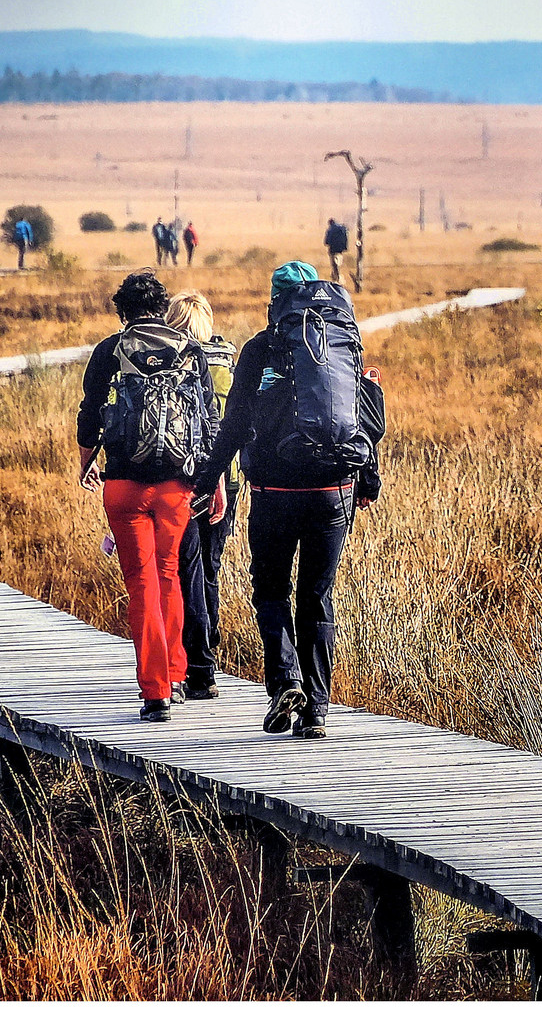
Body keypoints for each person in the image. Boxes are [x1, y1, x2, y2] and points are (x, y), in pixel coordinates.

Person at [197, 260, 383, 740]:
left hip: (274, 493)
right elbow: (358, 415)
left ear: (274, 301)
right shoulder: (342, 341)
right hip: (333, 494)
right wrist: (367, 479)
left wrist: (207, 479)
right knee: (317, 596)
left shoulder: (261, 347)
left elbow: (234, 424)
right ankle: (318, 710)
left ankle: (285, 683)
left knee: (272, 591)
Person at [77, 269, 220, 722]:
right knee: (169, 576)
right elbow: (208, 419)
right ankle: (176, 674)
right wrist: (213, 481)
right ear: (162, 308)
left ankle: (155, 692)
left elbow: (88, 415)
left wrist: (87, 463)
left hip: (123, 486)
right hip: (178, 487)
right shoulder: (191, 351)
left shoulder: (109, 350)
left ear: (122, 311)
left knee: (140, 584)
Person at [166, 290, 240, 700]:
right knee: (209, 569)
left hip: (186, 479)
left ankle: (194, 665)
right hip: (226, 481)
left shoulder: (173, 363)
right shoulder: (228, 361)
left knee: (181, 572)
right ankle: (206, 665)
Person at [324, 219, 349, 284]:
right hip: (340, 250)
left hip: (332, 250)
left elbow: (326, 242)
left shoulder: (330, 230)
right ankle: (337, 278)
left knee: (334, 265)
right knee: (338, 264)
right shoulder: (342, 229)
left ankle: (337, 279)